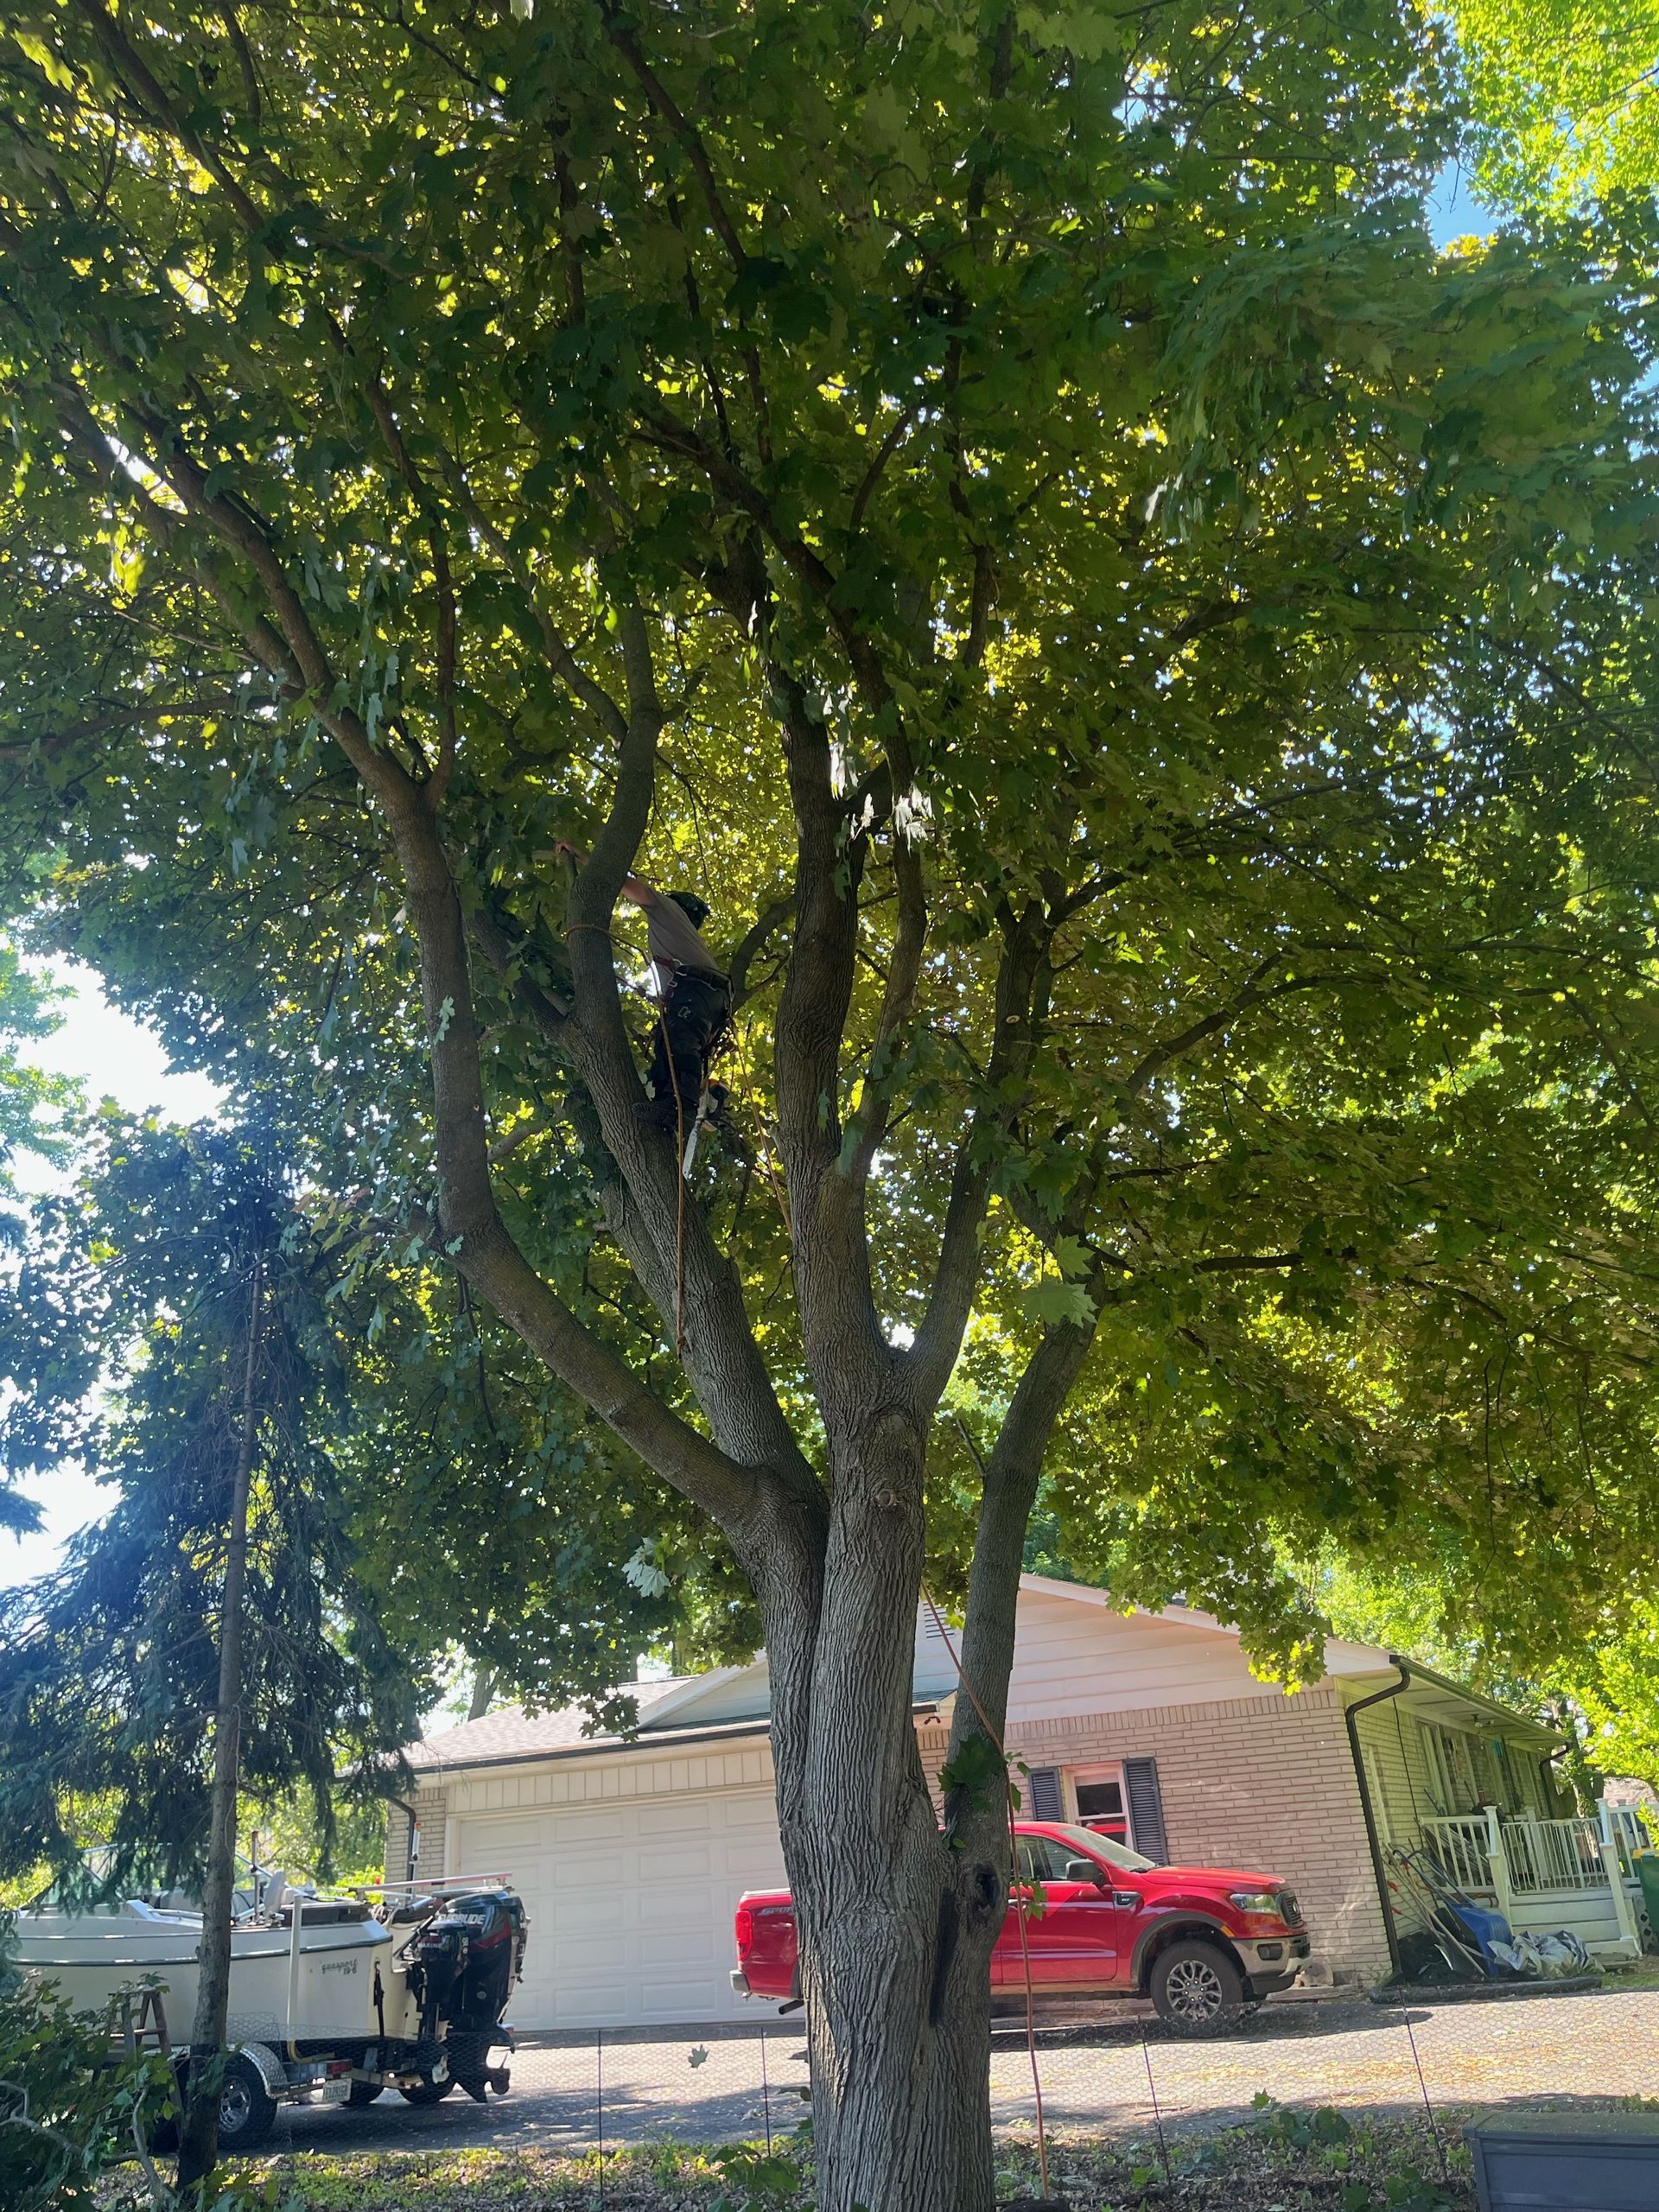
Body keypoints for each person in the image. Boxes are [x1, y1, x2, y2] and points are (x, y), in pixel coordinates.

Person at [554, 841, 731, 1131]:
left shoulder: (669, 911)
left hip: (698, 991)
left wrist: (586, 860)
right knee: (668, 1040)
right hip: (702, 998)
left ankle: (681, 1108)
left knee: (677, 1039)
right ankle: (668, 1105)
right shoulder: (680, 940)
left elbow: (640, 892)